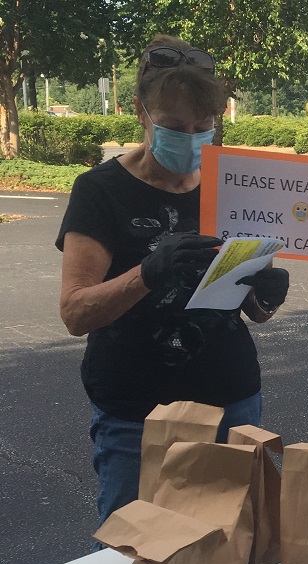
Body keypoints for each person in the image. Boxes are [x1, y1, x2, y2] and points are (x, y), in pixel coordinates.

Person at [56, 35, 290, 528]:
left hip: (230, 400)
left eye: (203, 128)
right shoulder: (101, 191)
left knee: (236, 547)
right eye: (174, 127)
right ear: (142, 112)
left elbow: (249, 305)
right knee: (137, 558)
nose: (191, 139)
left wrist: (264, 297)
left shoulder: (236, 185)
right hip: (136, 414)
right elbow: (75, 312)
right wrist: (146, 274)